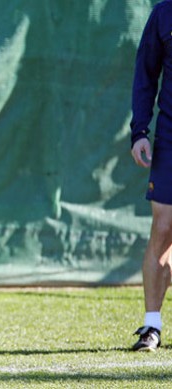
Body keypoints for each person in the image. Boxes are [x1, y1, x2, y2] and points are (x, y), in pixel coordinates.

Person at [129, 0, 172, 352]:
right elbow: (146, 73)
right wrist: (139, 131)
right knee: (163, 227)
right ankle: (152, 326)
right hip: (170, 139)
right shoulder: (164, 13)